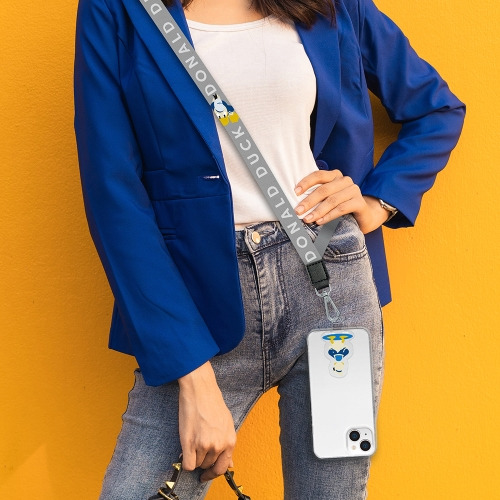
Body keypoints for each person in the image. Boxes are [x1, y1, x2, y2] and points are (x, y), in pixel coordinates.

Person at [73, 0, 465, 498]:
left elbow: (437, 109)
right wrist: (194, 379)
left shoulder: (333, 4)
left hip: (330, 287)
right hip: (199, 303)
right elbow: (114, 194)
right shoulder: (118, 9)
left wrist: (377, 202)